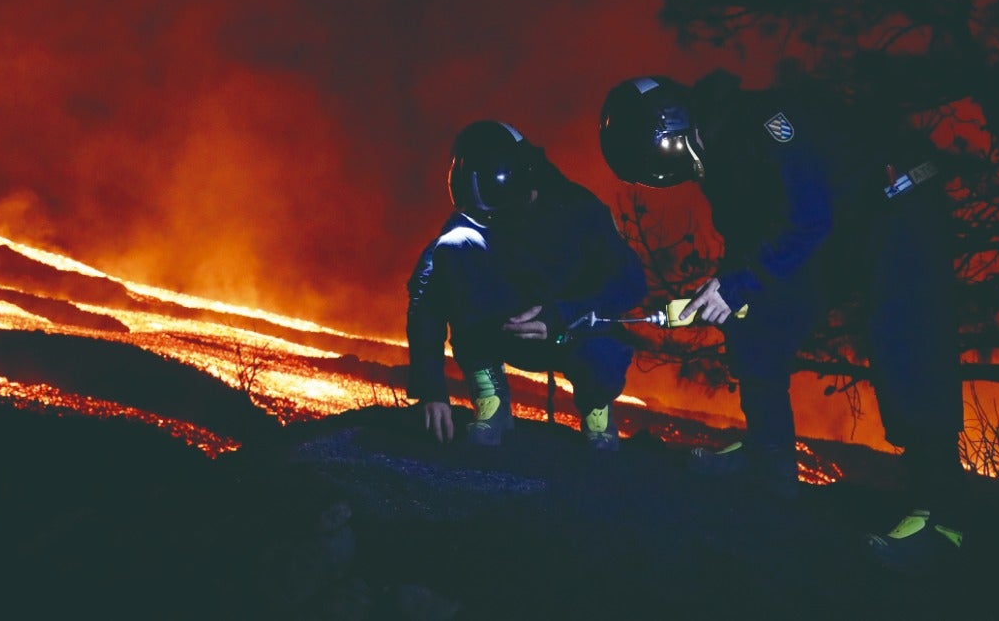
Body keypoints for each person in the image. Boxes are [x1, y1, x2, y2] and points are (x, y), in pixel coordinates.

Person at [598, 69, 966, 572]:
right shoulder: (717, 162)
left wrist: (738, 284)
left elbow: (810, 216)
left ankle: (940, 517)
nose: (664, 173)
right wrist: (719, 292)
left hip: (895, 202)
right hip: (839, 229)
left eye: (657, 158)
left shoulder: (765, 124)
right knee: (756, 320)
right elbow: (749, 243)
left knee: (903, 339)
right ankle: (769, 463)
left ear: (671, 125)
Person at [406, 119, 649, 452]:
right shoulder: (468, 226)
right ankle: (491, 399)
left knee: (602, 351)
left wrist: (563, 314)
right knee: (455, 255)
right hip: (502, 334)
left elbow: (632, 282)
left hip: (572, 333)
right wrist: (431, 390)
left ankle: (597, 407)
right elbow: (426, 302)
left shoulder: (580, 211)